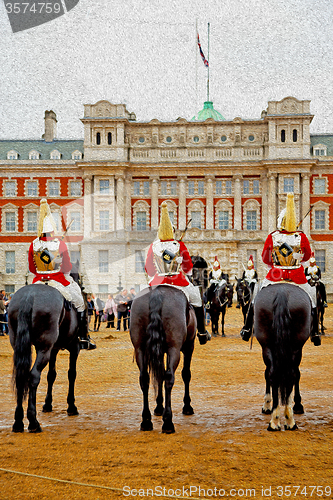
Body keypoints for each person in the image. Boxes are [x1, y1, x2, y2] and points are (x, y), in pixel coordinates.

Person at [240, 193, 320, 346]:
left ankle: (247, 328)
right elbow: (306, 257)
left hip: (275, 276)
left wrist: (277, 262)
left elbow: (265, 259)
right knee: (313, 299)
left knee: (256, 294)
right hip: (298, 277)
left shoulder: (273, 237)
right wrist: (295, 255)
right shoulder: (301, 237)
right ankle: (315, 333)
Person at [28, 198, 96, 350]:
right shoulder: (60, 243)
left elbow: (32, 268)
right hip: (57, 280)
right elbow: (67, 267)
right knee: (79, 302)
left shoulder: (34, 244)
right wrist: (57, 265)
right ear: (52, 228)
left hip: (38, 281)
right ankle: (83, 336)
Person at [145, 201, 211, 345]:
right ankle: (201, 332)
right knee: (197, 301)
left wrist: (154, 277)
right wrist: (180, 264)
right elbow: (188, 266)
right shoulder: (178, 245)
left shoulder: (153, 246)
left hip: (156, 281)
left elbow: (149, 268)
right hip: (178, 281)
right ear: (172, 232)